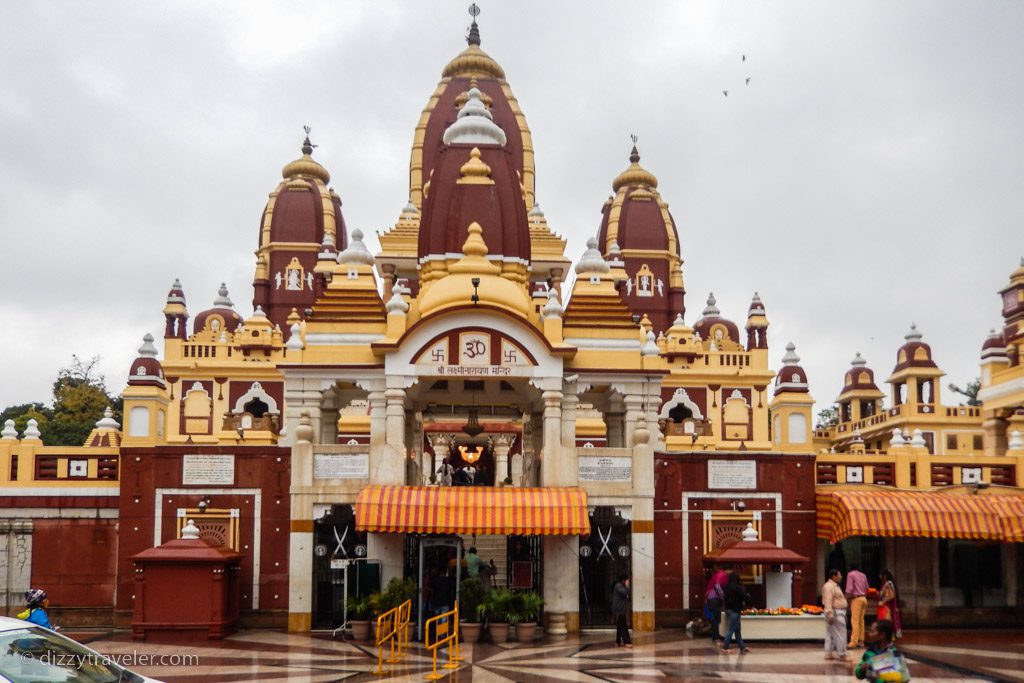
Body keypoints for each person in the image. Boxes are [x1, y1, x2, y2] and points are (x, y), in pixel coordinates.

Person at [822, 568, 850, 661]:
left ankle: (828, 653)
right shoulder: (829, 586)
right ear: (834, 576)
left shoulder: (835, 586)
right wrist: (830, 614)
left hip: (839, 612)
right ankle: (842, 654)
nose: (841, 577)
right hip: (835, 612)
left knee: (830, 633)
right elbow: (828, 601)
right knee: (840, 633)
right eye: (839, 575)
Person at [720, 570, 751, 654]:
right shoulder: (738, 588)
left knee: (737, 630)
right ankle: (725, 647)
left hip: (728, 610)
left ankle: (742, 647)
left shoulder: (727, 587)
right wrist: (748, 596)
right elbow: (745, 597)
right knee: (731, 630)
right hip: (735, 610)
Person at [846, 563, 869, 649]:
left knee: (854, 621)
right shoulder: (863, 575)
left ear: (850, 568)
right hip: (864, 598)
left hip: (856, 599)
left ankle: (853, 642)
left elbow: (849, 588)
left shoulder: (850, 574)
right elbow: (867, 588)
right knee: (861, 621)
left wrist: (847, 598)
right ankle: (861, 641)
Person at [704, 566, 729, 643]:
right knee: (716, 619)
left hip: (710, 599)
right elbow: (718, 586)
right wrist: (723, 598)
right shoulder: (722, 575)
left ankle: (715, 636)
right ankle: (716, 638)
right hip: (714, 599)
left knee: (715, 619)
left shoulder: (718, 575)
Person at [877, 569, 903, 639]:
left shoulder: (888, 584)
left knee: (886, 623)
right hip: (885, 606)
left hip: (886, 607)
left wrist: (883, 602)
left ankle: (889, 637)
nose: (879, 576)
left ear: (884, 576)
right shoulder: (887, 584)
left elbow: (891, 595)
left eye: (880, 575)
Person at [611, 574, 632, 648]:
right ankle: (627, 642)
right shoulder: (618, 586)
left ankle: (617, 641)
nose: (628, 581)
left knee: (620, 626)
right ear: (623, 580)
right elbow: (625, 593)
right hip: (619, 609)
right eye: (627, 580)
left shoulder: (619, 586)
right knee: (623, 626)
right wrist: (627, 585)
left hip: (620, 608)